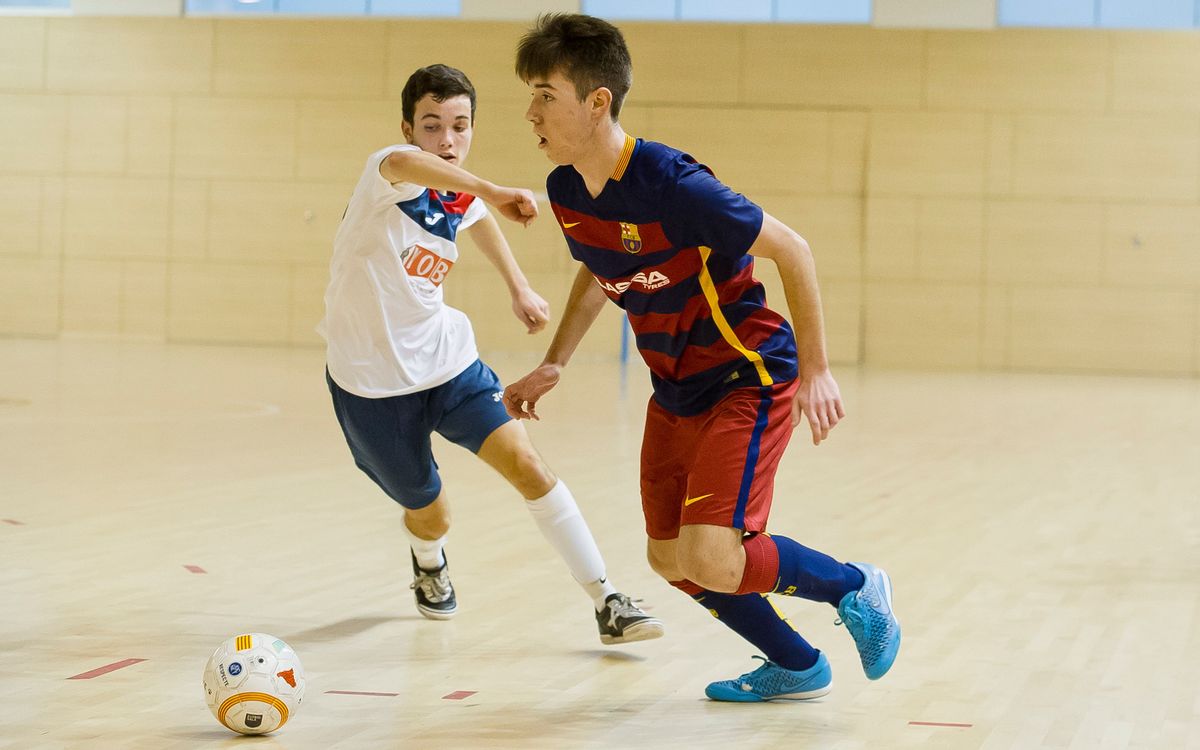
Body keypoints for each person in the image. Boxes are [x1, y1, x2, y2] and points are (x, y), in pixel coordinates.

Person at [504, 15, 900, 700]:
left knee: (714, 556)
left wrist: (818, 369)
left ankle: (855, 586)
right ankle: (796, 663)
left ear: (597, 102)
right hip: (675, 389)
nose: (530, 111)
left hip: (747, 376)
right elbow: (600, 273)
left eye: (545, 94)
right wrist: (557, 361)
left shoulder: (673, 184)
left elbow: (794, 250)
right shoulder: (570, 189)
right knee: (670, 558)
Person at [319, 63, 663, 646]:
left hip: (449, 365)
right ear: (408, 128)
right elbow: (423, 172)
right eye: (432, 126)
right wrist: (494, 188)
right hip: (371, 386)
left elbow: (477, 219)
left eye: (460, 126)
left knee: (529, 467)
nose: (447, 141)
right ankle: (428, 559)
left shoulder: (459, 190)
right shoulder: (387, 171)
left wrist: (518, 286)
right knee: (431, 513)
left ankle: (607, 598)